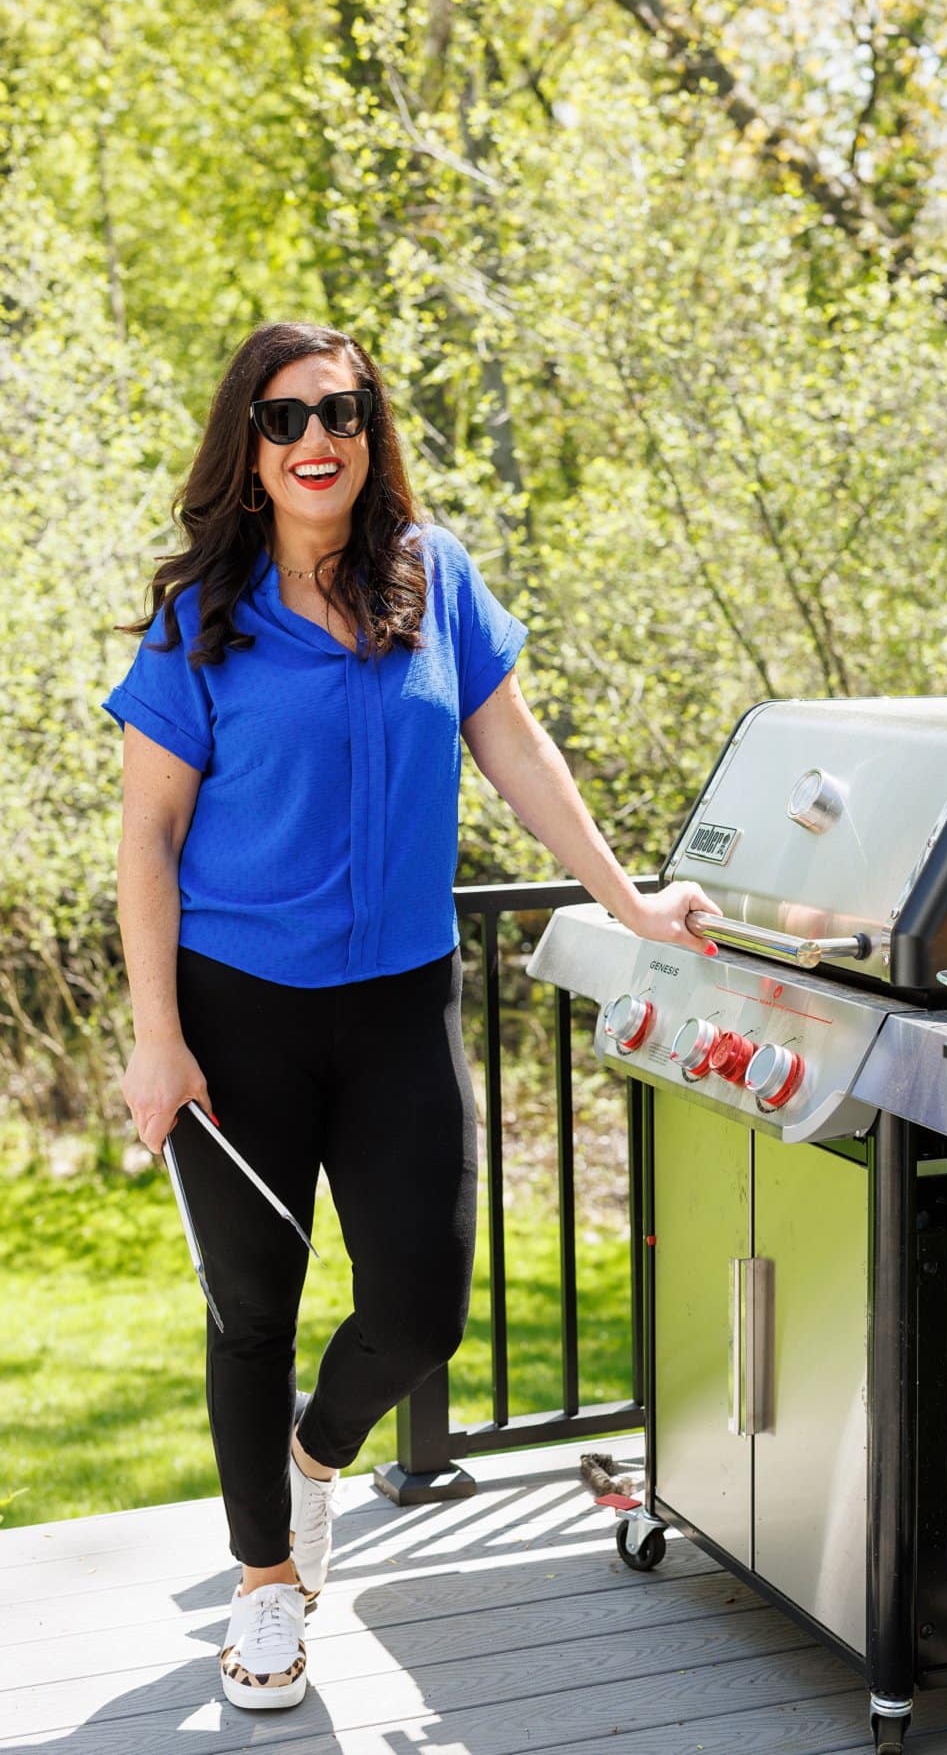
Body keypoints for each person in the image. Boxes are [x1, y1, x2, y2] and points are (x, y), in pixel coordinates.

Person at [99, 320, 721, 1712]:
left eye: (342, 409)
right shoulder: (202, 608)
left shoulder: (432, 579)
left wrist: (627, 901)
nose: (315, 437)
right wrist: (156, 1035)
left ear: (373, 428)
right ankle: (266, 1584)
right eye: (284, 418)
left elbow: (515, 745)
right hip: (235, 1012)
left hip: (397, 1005)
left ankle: (317, 1455)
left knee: (423, 1310)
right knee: (251, 1309)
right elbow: (146, 838)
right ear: (246, 448)